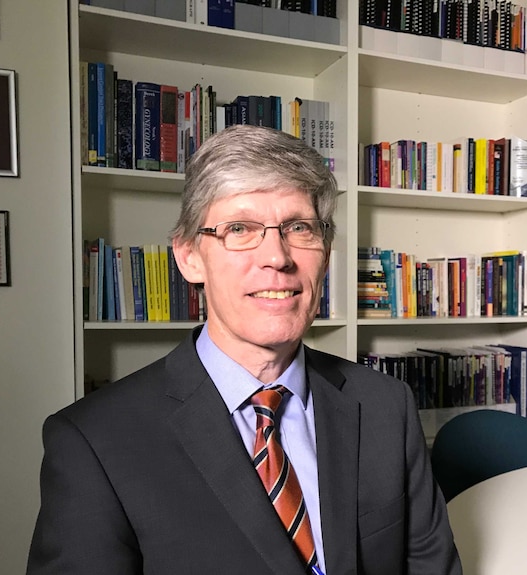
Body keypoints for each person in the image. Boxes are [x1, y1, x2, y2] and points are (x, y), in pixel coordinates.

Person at [27, 124, 463, 574]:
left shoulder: (386, 406)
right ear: (189, 256)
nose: (277, 256)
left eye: (299, 227)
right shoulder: (93, 442)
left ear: (326, 253)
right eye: (239, 228)